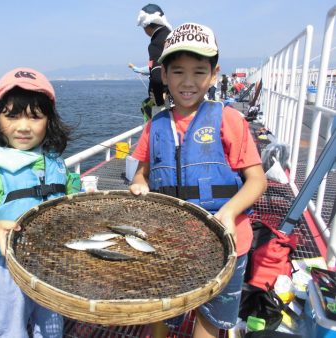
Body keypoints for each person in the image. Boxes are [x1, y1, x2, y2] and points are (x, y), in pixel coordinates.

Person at [129, 23, 267, 338]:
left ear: (214, 74)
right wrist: (139, 184)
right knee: (162, 307)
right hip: (169, 243)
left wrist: (229, 213)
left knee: (210, 318)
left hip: (225, 242)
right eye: (178, 72)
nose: (188, 82)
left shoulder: (229, 120)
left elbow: (257, 180)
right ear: (164, 75)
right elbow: (142, 173)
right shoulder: (155, 125)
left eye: (198, 71)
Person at [0, 67, 78, 337]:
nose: (24, 126)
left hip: (50, 260)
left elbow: (70, 196)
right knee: (12, 329)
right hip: (5, 268)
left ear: (49, 121)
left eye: (35, 117)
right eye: (12, 115)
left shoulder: (54, 161)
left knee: (51, 325)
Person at [131, 4, 172, 117]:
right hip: (174, 96)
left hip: (164, 103)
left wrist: (159, 100)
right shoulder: (170, 36)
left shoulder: (156, 43)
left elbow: (157, 75)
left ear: (147, 26)